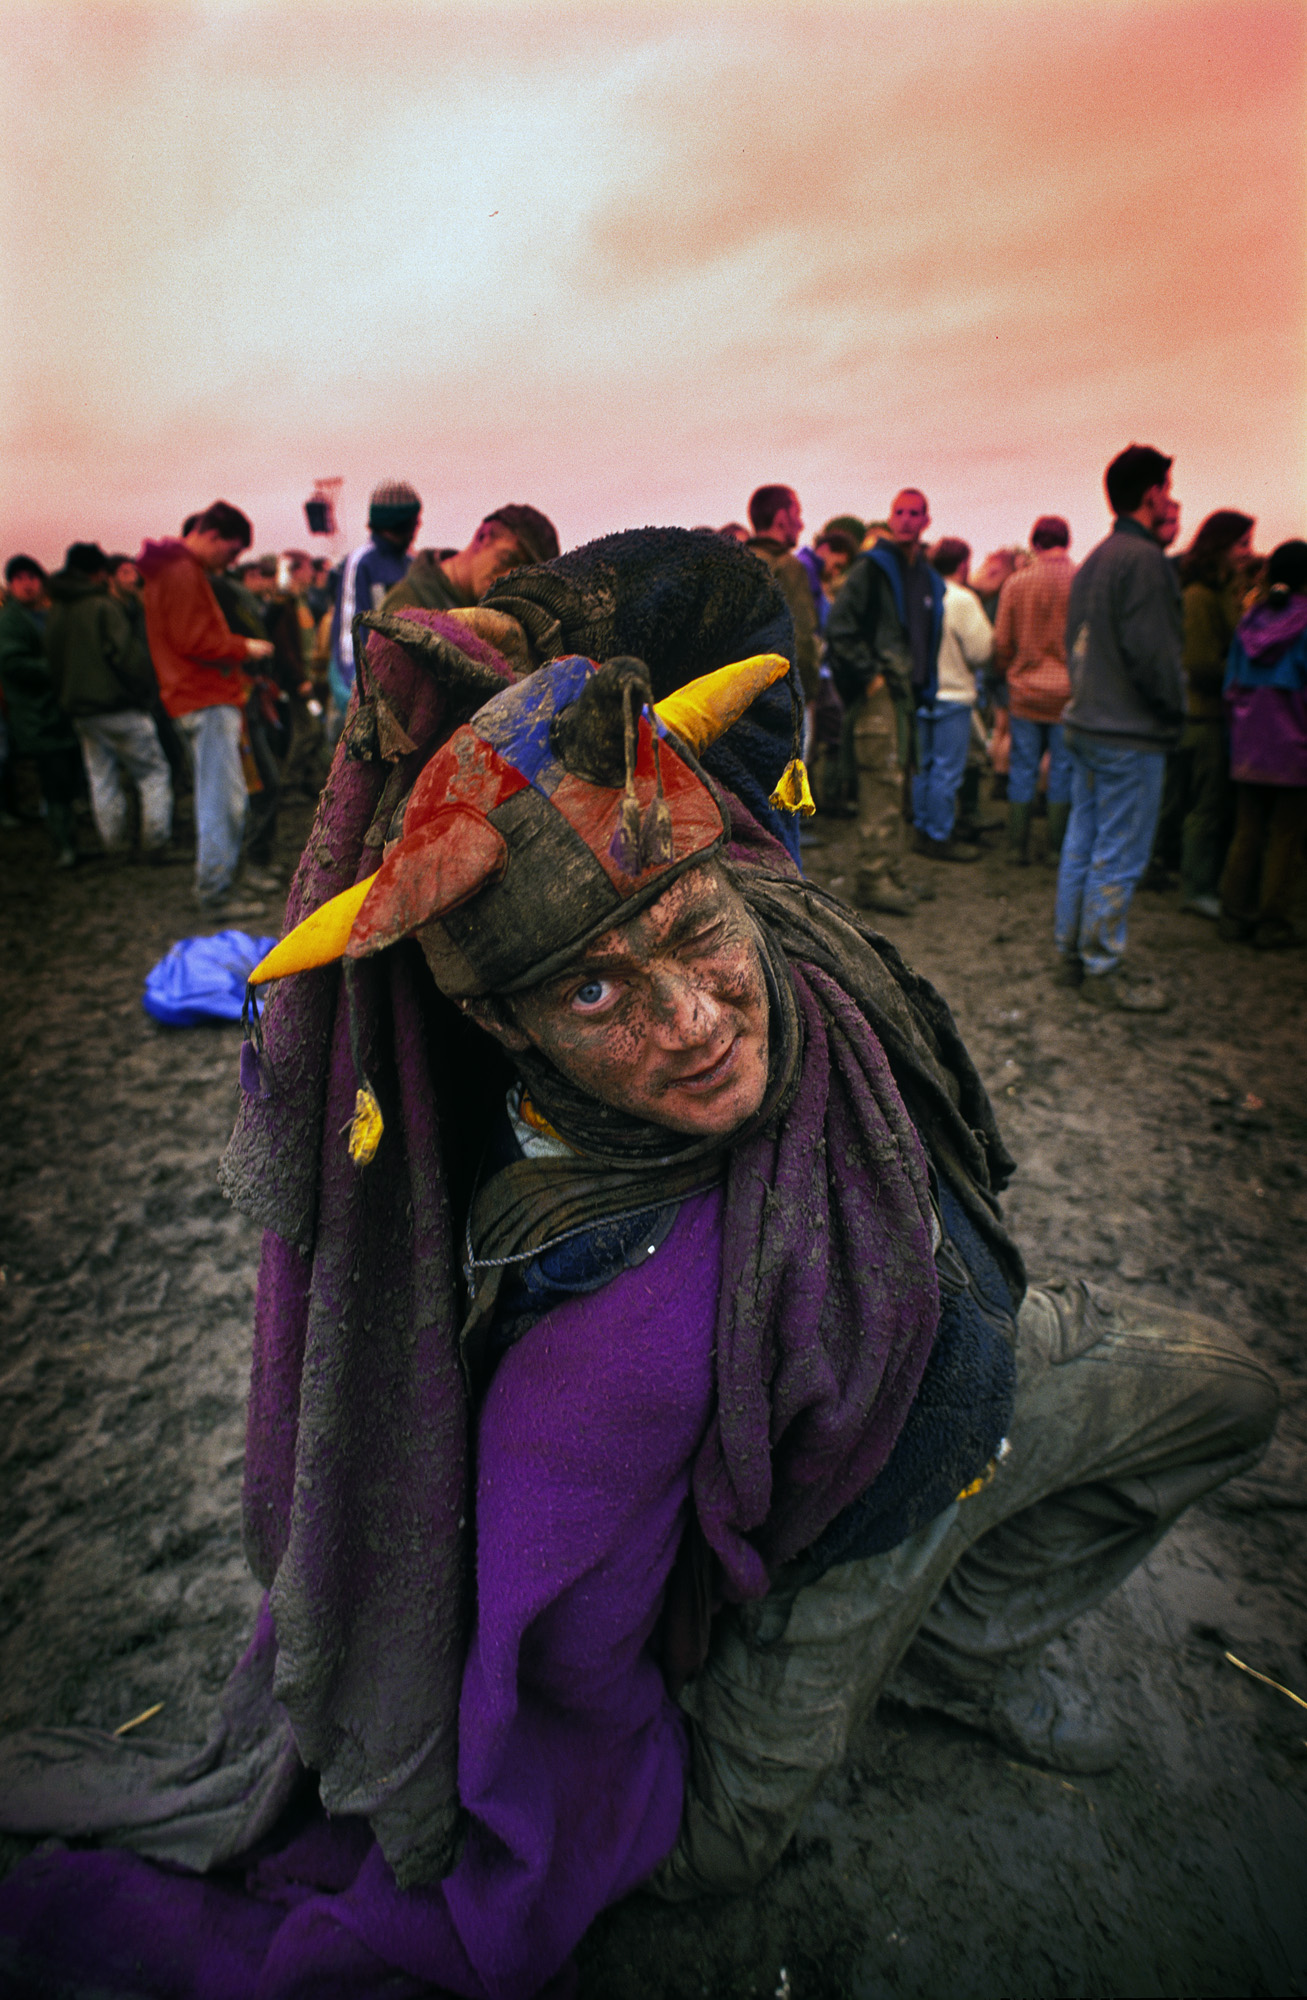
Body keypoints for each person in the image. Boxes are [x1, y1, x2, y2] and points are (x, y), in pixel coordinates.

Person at [0, 530, 1277, 2000]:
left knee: (1221, 1394)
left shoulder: (768, 910)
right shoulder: (616, 1335)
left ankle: (955, 1645)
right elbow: (559, 1688)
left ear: (728, 862)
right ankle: (896, 1625)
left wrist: (538, 623)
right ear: (504, 1029)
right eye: (596, 989)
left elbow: (739, 648)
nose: (689, 1021)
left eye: (690, 936)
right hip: (849, 1518)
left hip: (956, 1363)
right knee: (712, 1848)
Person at [1054, 446, 1184, 1010]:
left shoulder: (1097, 559)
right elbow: (1154, 655)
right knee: (1119, 853)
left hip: (1086, 723)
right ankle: (1102, 967)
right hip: (1128, 733)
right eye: (1169, 488)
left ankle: (1071, 956)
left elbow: (1074, 645)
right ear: (1152, 493)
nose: (1172, 499)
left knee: (1082, 842)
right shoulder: (1145, 560)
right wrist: (1175, 710)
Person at [138, 500, 275, 917]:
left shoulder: (168, 570)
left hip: (190, 698)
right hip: (206, 699)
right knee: (223, 801)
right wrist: (246, 648)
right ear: (213, 535)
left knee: (218, 797)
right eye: (231, 552)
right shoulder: (182, 572)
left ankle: (220, 883)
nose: (230, 562)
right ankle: (216, 891)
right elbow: (196, 640)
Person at [826, 488, 945, 910]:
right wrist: (871, 676)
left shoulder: (923, 574)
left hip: (904, 694)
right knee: (880, 783)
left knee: (896, 785)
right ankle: (873, 877)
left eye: (915, 513)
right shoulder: (872, 569)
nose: (907, 519)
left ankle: (889, 871)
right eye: (899, 512)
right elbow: (840, 629)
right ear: (891, 518)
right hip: (881, 694)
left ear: (926, 520)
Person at [44, 542, 174, 859]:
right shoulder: (103, 606)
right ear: (99, 572)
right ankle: (155, 840)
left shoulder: (56, 609)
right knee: (152, 773)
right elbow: (128, 658)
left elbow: (52, 661)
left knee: (102, 778)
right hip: (120, 707)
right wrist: (145, 694)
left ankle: (113, 844)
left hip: (80, 711)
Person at [1217, 539, 1307, 949]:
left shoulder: (1250, 620)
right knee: (1285, 836)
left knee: (1247, 830)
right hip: (1295, 745)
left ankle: (1233, 914)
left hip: (1249, 743)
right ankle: (1272, 922)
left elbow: (1230, 684)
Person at [1170, 511, 1255, 917]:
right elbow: (1202, 664)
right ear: (1220, 546)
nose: (1248, 553)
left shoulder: (1214, 593)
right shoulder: (1201, 598)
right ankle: (1197, 887)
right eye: (1241, 544)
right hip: (1204, 717)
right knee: (1206, 806)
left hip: (1207, 715)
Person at [993, 516, 1076, 866]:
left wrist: (1008, 670)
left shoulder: (1016, 582)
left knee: (1023, 766)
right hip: (1069, 694)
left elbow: (1001, 641)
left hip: (1026, 692)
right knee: (1062, 769)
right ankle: (1057, 849)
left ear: (1036, 544)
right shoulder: (1082, 581)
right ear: (1066, 542)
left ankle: (1016, 847)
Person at [0, 555, 83, 866]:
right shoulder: (10, 621)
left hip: (58, 711)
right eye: (19, 578)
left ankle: (71, 842)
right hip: (36, 715)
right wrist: (59, 669)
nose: (27, 583)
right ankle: (65, 847)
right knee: (54, 781)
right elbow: (13, 663)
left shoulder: (46, 615)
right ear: (11, 585)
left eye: (32, 577)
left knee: (66, 779)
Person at [911, 538, 990, 859]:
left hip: (921, 692)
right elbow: (981, 650)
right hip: (953, 694)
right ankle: (940, 835)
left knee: (923, 766)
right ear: (963, 564)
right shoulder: (962, 599)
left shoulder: (918, 594)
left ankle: (921, 827)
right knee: (947, 770)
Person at [327, 480, 423, 724]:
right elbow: (350, 627)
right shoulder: (361, 562)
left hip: (399, 686)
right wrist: (356, 688)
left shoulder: (411, 565)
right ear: (402, 523)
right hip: (364, 685)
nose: (418, 527)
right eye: (414, 521)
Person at [381, 504, 560, 618]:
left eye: (525, 576)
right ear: (482, 536)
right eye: (509, 559)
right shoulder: (403, 607)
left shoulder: (497, 614)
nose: (510, 576)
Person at [744, 486, 821, 714]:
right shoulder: (789, 567)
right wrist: (809, 691)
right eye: (796, 514)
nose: (801, 524)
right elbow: (801, 637)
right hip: (782, 697)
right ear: (781, 518)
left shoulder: (737, 561)